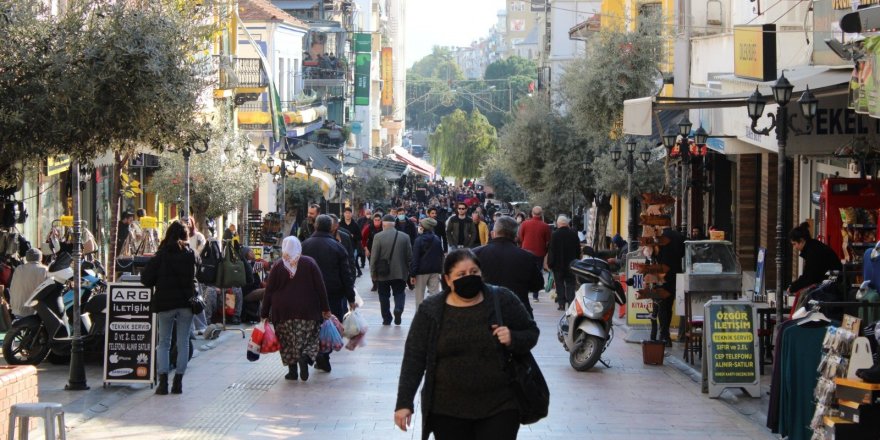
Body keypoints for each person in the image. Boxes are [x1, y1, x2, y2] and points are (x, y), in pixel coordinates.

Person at [394, 249, 539, 439]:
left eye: (474, 272)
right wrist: (404, 402)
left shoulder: (502, 299)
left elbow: (531, 332)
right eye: (461, 274)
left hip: (500, 405)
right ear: (447, 279)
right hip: (446, 409)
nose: (468, 278)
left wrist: (513, 338)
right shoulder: (431, 310)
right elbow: (414, 357)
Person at [261, 236, 331, 381]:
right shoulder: (309, 263)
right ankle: (305, 357)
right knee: (310, 338)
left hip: (283, 311)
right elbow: (320, 287)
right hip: (308, 310)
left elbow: (269, 291)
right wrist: (325, 308)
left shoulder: (278, 265)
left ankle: (292, 372)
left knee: (287, 341)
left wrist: (264, 313)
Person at [301, 214, 356, 373]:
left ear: (316, 226)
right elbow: (346, 274)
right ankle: (323, 355)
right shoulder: (338, 247)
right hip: (333, 293)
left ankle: (311, 355)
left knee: (312, 325)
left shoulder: (304, 245)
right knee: (331, 325)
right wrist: (350, 297)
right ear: (331, 227)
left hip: (309, 294)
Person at [148, 221, 197, 395]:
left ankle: (163, 383)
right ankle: (178, 382)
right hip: (186, 303)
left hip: (165, 303)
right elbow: (195, 277)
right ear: (185, 236)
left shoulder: (161, 255)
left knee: (164, 343)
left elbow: (146, 279)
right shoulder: (190, 254)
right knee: (183, 342)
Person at [474, 215, 543, 317]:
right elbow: (538, 285)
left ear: (493, 234)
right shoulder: (527, 257)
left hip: (485, 312)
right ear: (516, 236)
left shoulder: (476, 254)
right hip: (518, 312)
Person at [371, 215, 412, 325]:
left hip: (382, 273)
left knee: (383, 296)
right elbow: (409, 257)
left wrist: (373, 274)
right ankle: (398, 309)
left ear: (383, 224)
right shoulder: (405, 237)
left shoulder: (378, 237)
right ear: (394, 224)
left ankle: (386, 318)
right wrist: (411, 273)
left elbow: (374, 257)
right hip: (400, 272)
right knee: (399, 293)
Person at [788, 222, 842, 294]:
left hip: (833, 286)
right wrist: (794, 286)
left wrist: (793, 287)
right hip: (831, 282)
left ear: (801, 240)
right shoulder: (813, 246)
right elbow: (809, 275)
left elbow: (809, 277)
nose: (794, 247)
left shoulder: (812, 251)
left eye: (794, 244)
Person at [654, 224, 685, 346]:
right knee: (669, 304)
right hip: (675, 274)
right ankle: (666, 336)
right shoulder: (679, 236)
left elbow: (655, 255)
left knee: (662, 305)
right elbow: (682, 253)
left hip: (661, 275)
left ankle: (664, 335)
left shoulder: (658, 237)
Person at [547, 215, 583, 311]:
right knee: (570, 284)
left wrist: (550, 264)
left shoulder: (554, 234)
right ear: (567, 224)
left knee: (559, 284)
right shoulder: (573, 234)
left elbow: (551, 250)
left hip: (558, 265)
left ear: (558, 224)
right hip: (571, 265)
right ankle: (571, 303)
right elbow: (578, 250)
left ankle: (561, 304)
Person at [518, 206, 551, 302]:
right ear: (541, 214)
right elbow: (548, 241)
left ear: (532, 213)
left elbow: (520, 237)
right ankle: (535, 295)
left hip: (525, 251)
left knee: (525, 272)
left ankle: (524, 293)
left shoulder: (524, 224)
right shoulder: (545, 226)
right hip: (539, 253)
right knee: (537, 272)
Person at [409, 217, 443, 308]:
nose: (419, 226)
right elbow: (440, 255)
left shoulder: (418, 240)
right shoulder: (437, 239)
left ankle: (419, 319)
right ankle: (435, 317)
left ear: (424, 227)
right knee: (435, 295)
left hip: (421, 272)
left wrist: (412, 274)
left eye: (420, 225)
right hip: (434, 271)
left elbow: (415, 258)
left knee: (419, 297)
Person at [9, 249, 48, 318]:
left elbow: (12, 288)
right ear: (40, 257)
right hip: (33, 312)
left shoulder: (19, 268)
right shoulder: (44, 270)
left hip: (17, 310)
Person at [363, 213, 384, 292]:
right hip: (371, 250)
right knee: (373, 267)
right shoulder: (369, 228)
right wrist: (366, 249)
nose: (377, 222)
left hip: (382, 251)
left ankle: (381, 283)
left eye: (379, 220)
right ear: (373, 220)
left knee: (381, 267)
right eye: (375, 220)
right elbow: (363, 239)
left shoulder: (384, 227)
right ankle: (374, 283)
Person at [340, 207, 363, 277]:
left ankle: (354, 273)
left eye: (349, 213)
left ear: (351, 214)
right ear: (344, 214)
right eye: (346, 213)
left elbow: (360, 237)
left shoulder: (355, 225)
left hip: (353, 246)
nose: (347, 214)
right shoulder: (340, 224)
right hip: (342, 245)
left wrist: (353, 236)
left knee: (352, 260)